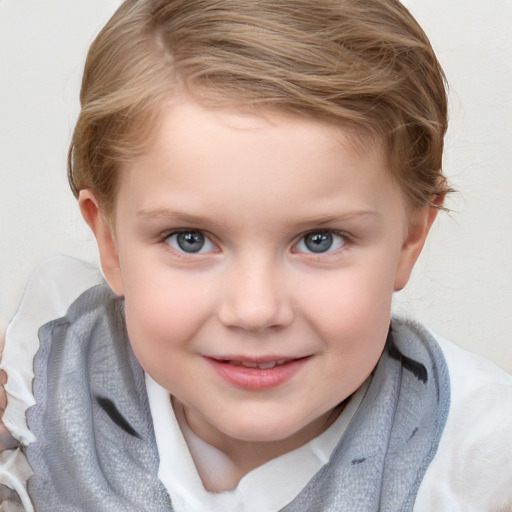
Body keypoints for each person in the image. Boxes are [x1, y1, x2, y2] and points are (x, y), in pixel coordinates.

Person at [1, 0, 511, 510]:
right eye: (190, 239)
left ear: (409, 239)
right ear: (110, 243)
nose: (255, 309)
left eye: (320, 240)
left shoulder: (482, 460)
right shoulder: (48, 364)